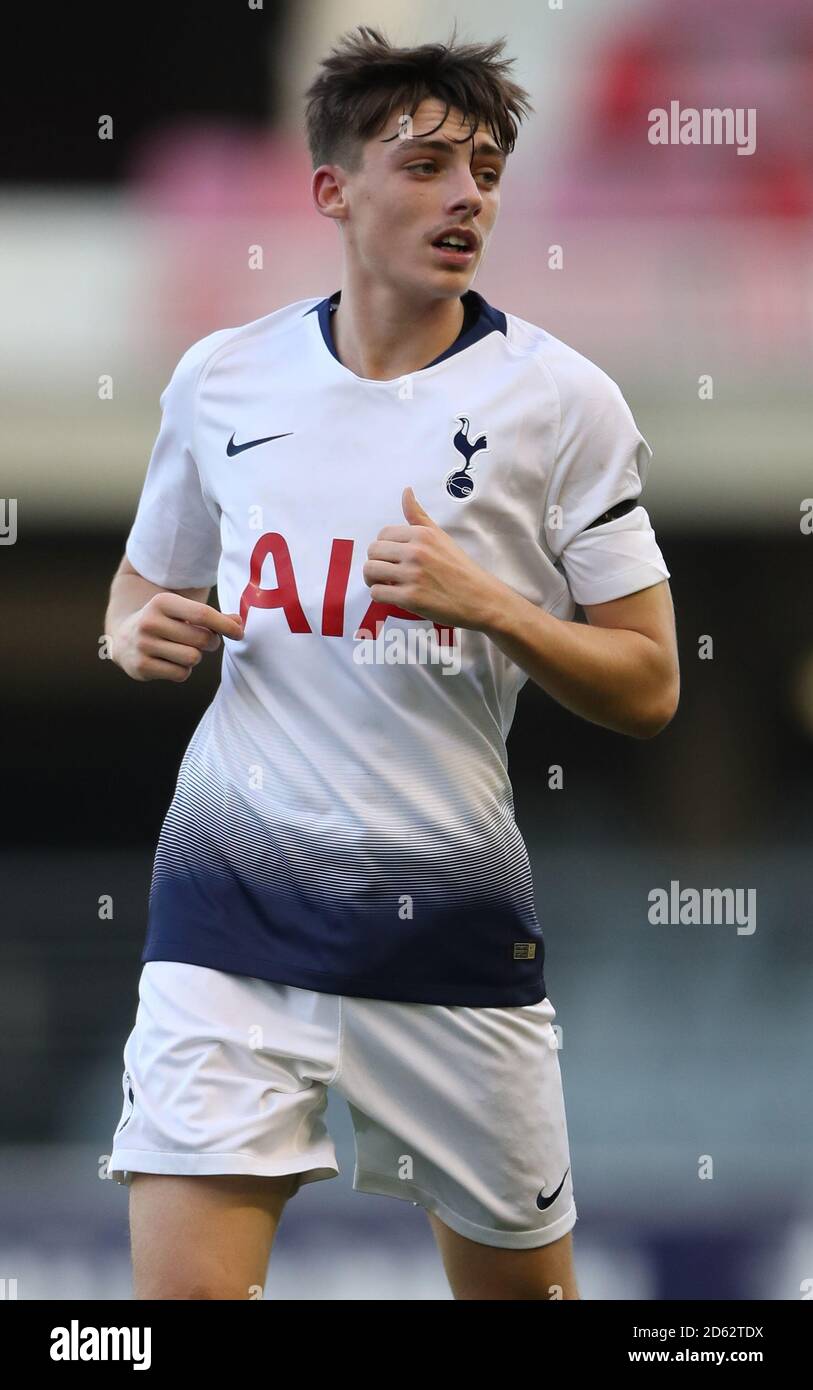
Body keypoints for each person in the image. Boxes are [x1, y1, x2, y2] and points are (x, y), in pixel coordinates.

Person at [105, 23, 679, 1300]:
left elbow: (651, 684)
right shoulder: (222, 379)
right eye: (424, 164)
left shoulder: (563, 402)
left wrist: (500, 610)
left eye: (484, 165)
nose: (467, 192)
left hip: (450, 940)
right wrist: (130, 632)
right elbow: (144, 585)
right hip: (227, 921)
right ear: (332, 192)